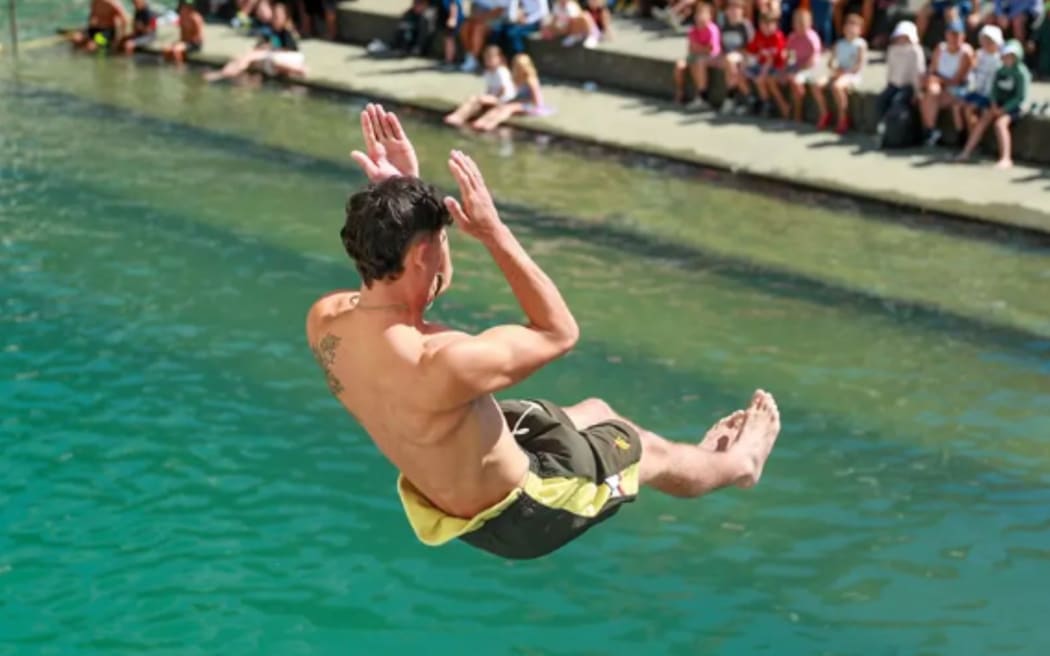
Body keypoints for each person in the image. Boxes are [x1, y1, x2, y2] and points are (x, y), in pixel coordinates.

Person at [312, 102, 782, 560]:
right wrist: (494, 232)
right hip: (527, 512)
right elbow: (559, 332)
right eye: (438, 242)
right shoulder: (445, 360)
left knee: (596, 410)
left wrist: (402, 191)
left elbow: (414, 292)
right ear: (418, 257)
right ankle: (736, 466)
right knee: (646, 449)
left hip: (447, 491)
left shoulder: (327, 320)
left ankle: (679, 459)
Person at [957, 39, 1030, 167]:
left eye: (1011, 56)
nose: (1008, 59)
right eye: (1006, 56)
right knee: (984, 118)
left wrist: (1004, 109)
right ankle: (966, 152)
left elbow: (1020, 97)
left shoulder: (1022, 73)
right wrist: (994, 104)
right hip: (998, 104)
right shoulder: (999, 70)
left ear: (1017, 57)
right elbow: (994, 91)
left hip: (1016, 107)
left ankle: (1006, 158)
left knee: (1000, 124)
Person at [204, 2, 306, 80]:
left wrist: (269, 49)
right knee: (246, 58)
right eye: (274, 16)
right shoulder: (271, 31)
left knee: (263, 60)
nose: (275, 19)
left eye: (278, 17)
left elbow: (289, 49)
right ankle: (225, 73)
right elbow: (261, 45)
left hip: (292, 56)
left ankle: (220, 75)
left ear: (285, 18)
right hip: (276, 56)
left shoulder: (286, 32)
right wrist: (263, 49)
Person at [919, 17, 974, 146]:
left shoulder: (966, 53)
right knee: (930, 92)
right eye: (951, 34)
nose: (954, 38)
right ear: (946, 35)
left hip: (960, 89)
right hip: (941, 87)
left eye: (957, 34)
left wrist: (937, 79)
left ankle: (929, 132)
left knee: (928, 99)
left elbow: (957, 80)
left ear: (963, 36)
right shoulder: (940, 48)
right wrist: (929, 79)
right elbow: (932, 70)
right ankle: (930, 131)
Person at [812, 12, 866, 133]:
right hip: (839, 73)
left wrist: (844, 72)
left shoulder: (860, 44)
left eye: (854, 26)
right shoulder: (839, 43)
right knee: (816, 85)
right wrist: (835, 69)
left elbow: (858, 66)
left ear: (860, 30)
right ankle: (825, 113)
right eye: (848, 25)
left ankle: (843, 118)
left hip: (852, 75)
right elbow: (830, 62)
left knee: (837, 87)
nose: (850, 28)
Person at [873, 20, 925, 144]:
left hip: (909, 86)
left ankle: (897, 133)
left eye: (905, 36)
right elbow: (891, 70)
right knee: (881, 100)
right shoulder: (892, 50)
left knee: (897, 101)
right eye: (900, 36)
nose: (901, 39)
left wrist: (917, 92)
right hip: (893, 84)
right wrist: (888, 86)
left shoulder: (916, 51)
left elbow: (917, 73)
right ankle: (882, 128)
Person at [470, 54, 548, 130]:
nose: (518, 69)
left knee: (508, 108)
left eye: (520, 67)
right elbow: (516, 94)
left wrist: (518, 103)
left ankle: (491, 124)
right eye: (517, 66)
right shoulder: (517, 79)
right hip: (520, 103)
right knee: (500, 107)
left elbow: (536, 101)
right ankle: (481, 121)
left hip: (531, 105)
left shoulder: (531, 80)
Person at [444, 45, 516, 126]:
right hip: (494, 97)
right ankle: (460, 116)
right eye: (486, 59)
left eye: (491, 58)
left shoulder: (501, 71)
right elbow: (489, 88)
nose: (488, 61)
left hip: (503, 99)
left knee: (477, 99)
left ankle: (459, 117)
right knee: (474, 100)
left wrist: (493, 98)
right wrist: (487, 96)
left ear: (499, 59)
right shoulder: (488, 72)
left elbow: (503, 89)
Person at [771, 7, 821, 121]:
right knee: (773, 79)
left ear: (809, 24)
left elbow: (812, 60)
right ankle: (783, 106)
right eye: (796, 22)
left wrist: (795, 71)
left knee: (795, 81)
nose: (799, 25)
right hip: (797, 66)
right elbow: (790, 56)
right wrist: (785, 69)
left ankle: (798, 112)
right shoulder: (792, 37)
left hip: (809, 68)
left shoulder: (812, 38)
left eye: (802, 23)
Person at [955, 25, 1003, 138]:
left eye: (990, 41)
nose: (987, 43)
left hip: (987, 94)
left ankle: (972, 137)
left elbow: (992, 82)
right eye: (985, 40)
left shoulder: (998, 60)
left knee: (968, 109)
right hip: (976, 90)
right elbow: (972, 72)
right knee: (957, 106)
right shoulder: (979, 54)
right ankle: (961, 134)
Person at [674, 2, 722, 109]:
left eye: (703, 14)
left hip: (713, 58)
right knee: (680, 64)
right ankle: (680, 92)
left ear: (710, 16)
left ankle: (702, 97)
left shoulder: (712, 29)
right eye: (698, 14)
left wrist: (698, 48)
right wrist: (700, 48)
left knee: (698, 62)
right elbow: (691, 48)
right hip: (696, 56)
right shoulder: (692, 30)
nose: (700, 17)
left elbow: (710, 50)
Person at [744, 12, 787, 116]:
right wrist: (744, 62)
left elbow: (771, 59)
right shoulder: (758, 35)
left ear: (775, 25)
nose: (765, 27)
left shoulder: (778, 37)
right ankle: (753, 99)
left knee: (761, 79)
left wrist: (762, 74)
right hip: (762, 65)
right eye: (763, 24)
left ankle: (767, 103)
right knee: (741, 73)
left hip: (777, 67)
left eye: (769, 24)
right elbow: (750, 51)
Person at [716, 0, 755, 114]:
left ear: (742, 11)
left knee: (731, 64)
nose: (734, 11)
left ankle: (731, 98)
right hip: (730, 58)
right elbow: (722, 45)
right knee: (730, 66)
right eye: (731, 8)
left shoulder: (745, 26)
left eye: (737, 8)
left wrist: (742, 59)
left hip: (746, 56)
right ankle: (747, 98)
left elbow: (751, 48)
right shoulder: (724, 25)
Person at [459, 0, 512, 72]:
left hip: (499, 18)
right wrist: (475, 16)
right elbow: (474, 6)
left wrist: (482, 18)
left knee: (478, 29)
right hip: (480, 16)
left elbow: (500, 10)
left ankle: (473, 58)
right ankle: (470, 55)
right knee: (465, 27)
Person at [162, 0, 205, 65]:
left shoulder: (196, 18)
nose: (184, 7)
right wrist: (180, 42)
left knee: (176, 50)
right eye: (184, 5)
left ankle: (179, 68)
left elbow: (198, 37)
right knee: (166, 49)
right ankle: (168, 66)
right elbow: (182, 33)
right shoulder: (182, 17)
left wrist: (184, 44)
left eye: (187, 6)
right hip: (184, 42)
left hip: (194, 43)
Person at [440, 0, 465, 66]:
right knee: (449, 40)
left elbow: (453, 6)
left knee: (449, 40)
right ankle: (449, 59)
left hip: (455, 20)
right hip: (451, 18)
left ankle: (449, 60)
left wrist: (452, 18)